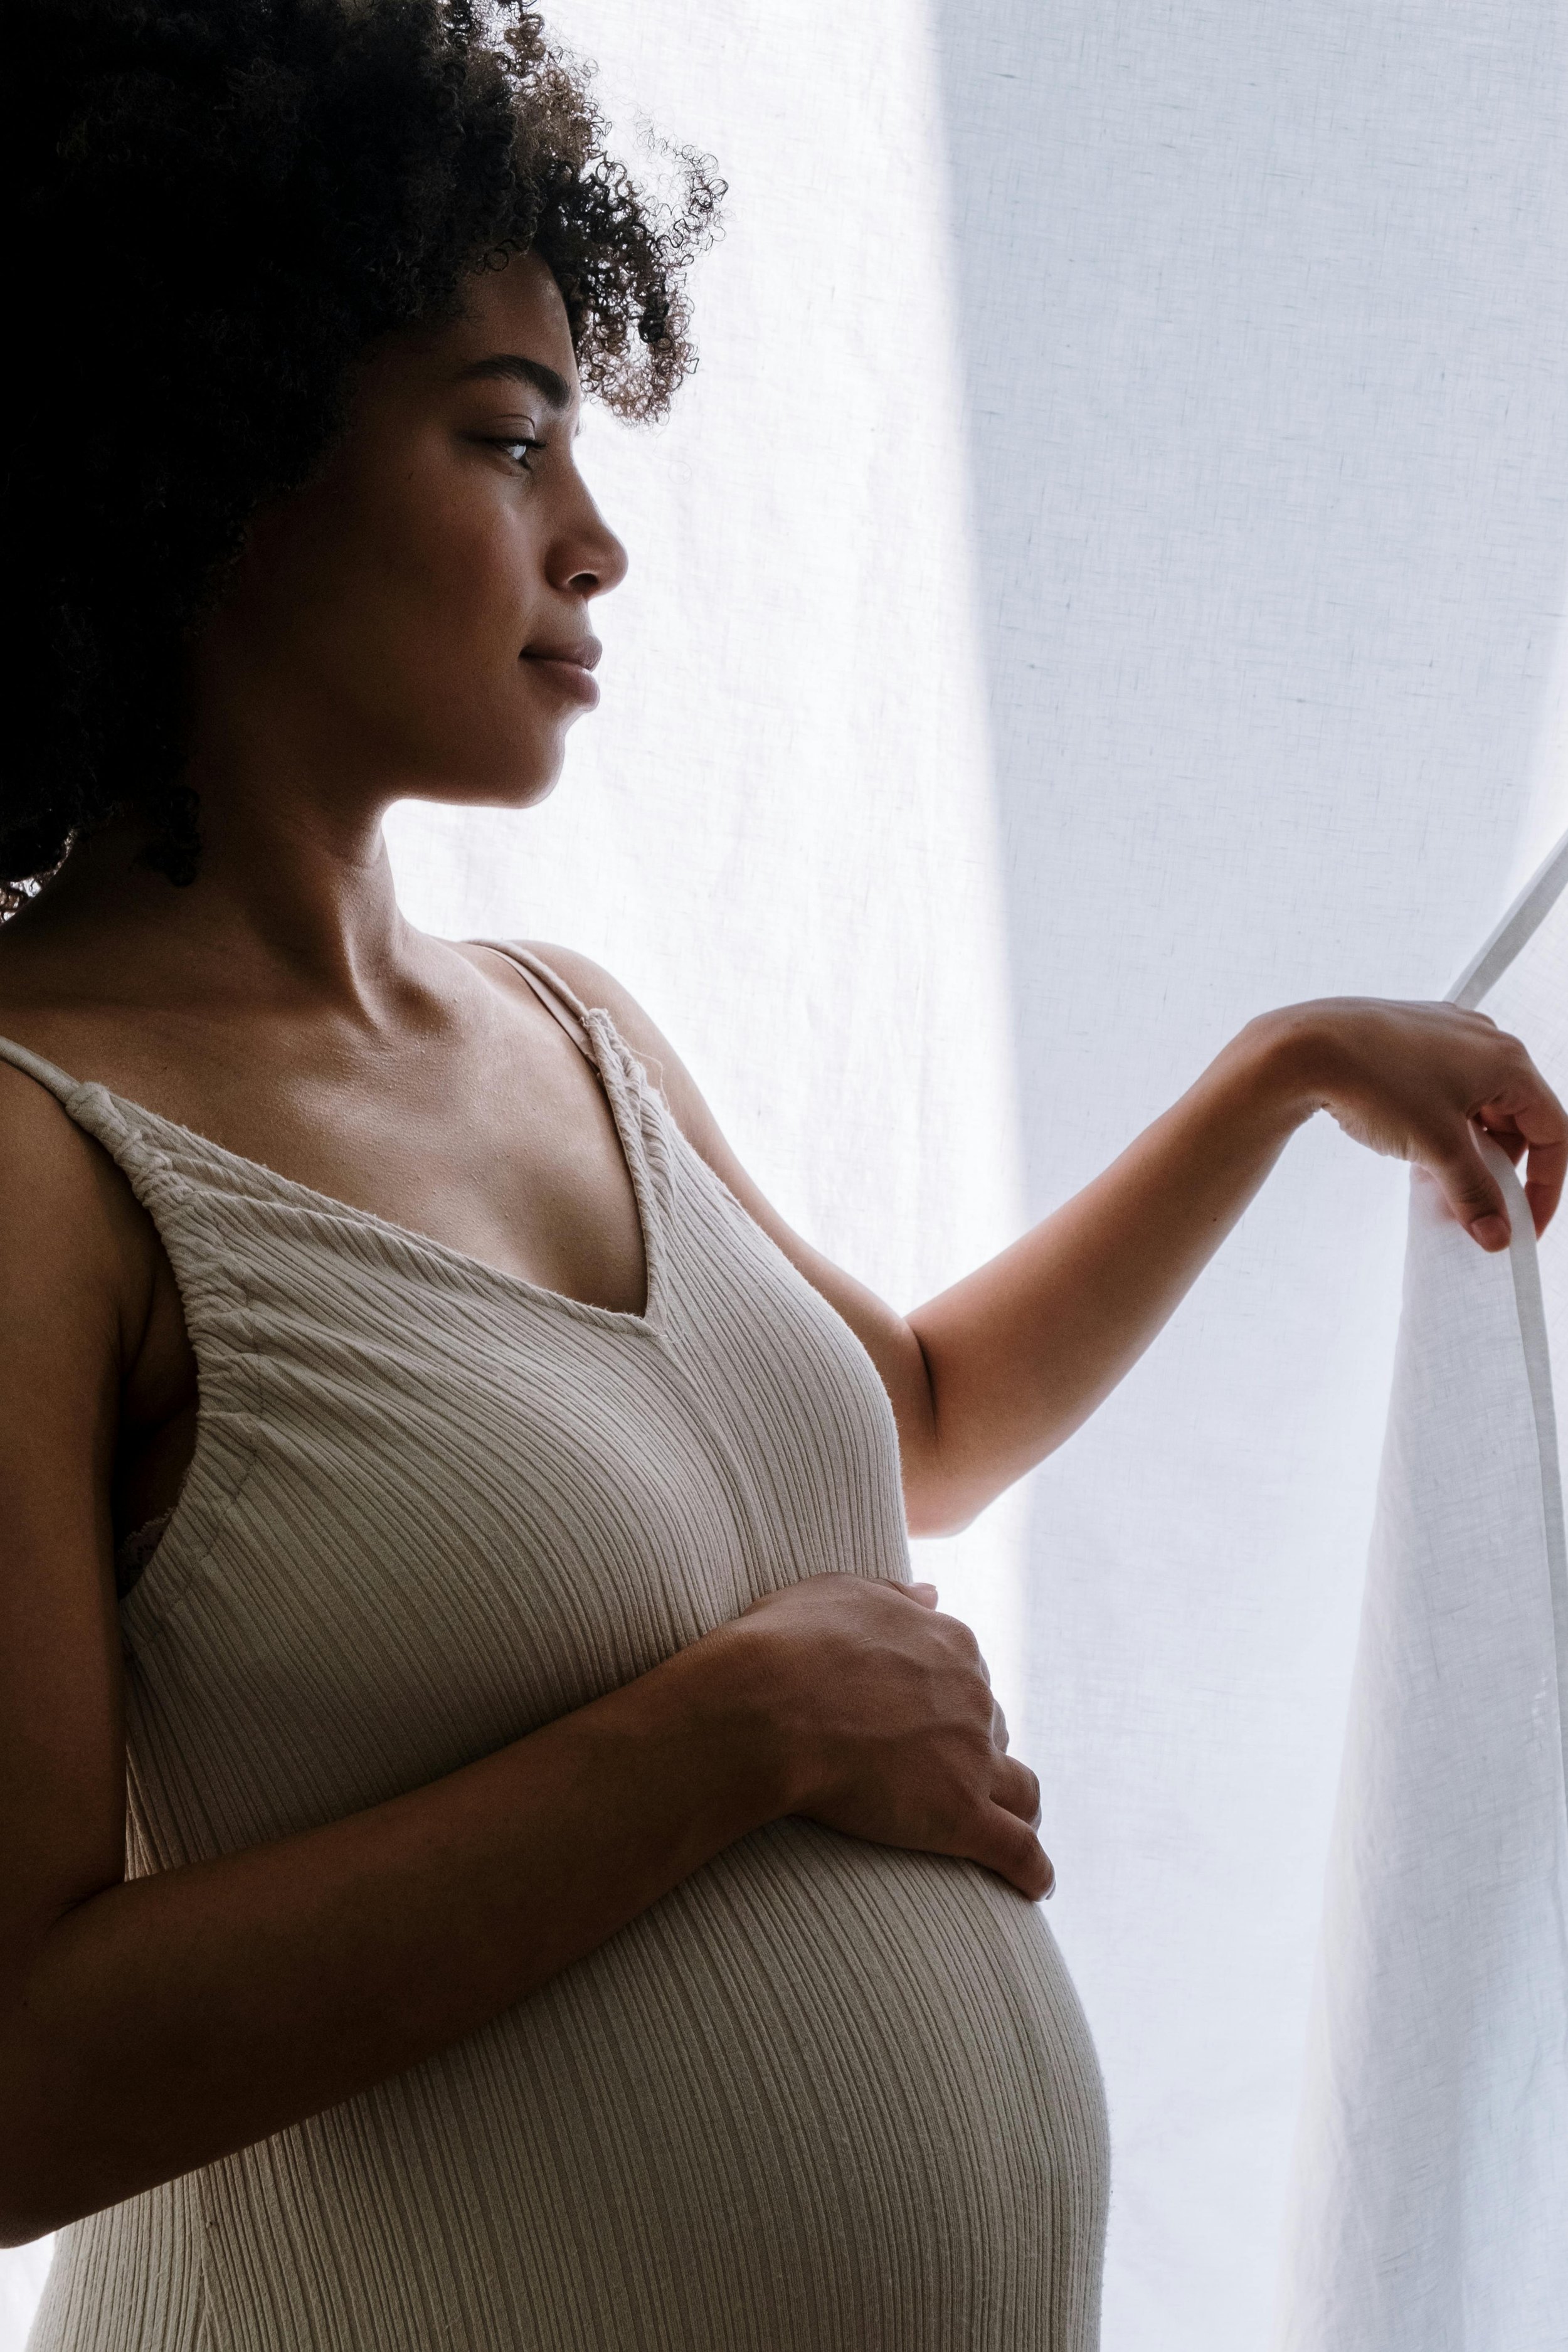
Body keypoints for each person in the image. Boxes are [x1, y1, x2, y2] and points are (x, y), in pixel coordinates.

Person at [1, 4, 1561, 2348]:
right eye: (504, 439)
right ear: (213, 460)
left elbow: (911, 1421)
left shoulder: (569, 1025)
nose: (595, 539)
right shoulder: (37, 1152)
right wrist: (724, 1745)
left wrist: (1267, 1081)